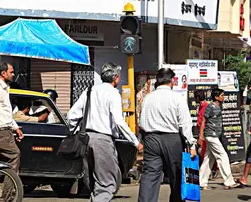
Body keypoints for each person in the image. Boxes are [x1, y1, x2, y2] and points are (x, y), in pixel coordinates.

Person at [68, 62, 141, 202]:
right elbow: (119, 122)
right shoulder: (113, 94)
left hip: (86, 140)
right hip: (103, 141)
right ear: (116, 78)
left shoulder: (89, 90)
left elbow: (72, 115)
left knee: (93, 182)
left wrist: (75, 131)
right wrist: (135, 141)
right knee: (106, 184)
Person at [138, 68, 196, 202]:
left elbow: (142, 122)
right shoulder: (177, 98)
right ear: (172, 82)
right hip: (172, 140)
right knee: (176, 176)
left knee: (150, 175)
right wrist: (191, 144)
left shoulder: (148, 98)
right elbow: (185, 123)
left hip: (151, 139)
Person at [198, 89, 239, 190]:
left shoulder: (218, 107)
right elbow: (203, 120)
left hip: (214, 135)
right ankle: (229, 181)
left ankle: (202, 182)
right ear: (216, 97)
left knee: (209, 159)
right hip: (210, 135)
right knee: (223, 156)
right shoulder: (210, 107)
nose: (223, 97)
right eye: (222, 95)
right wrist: (200, 136)